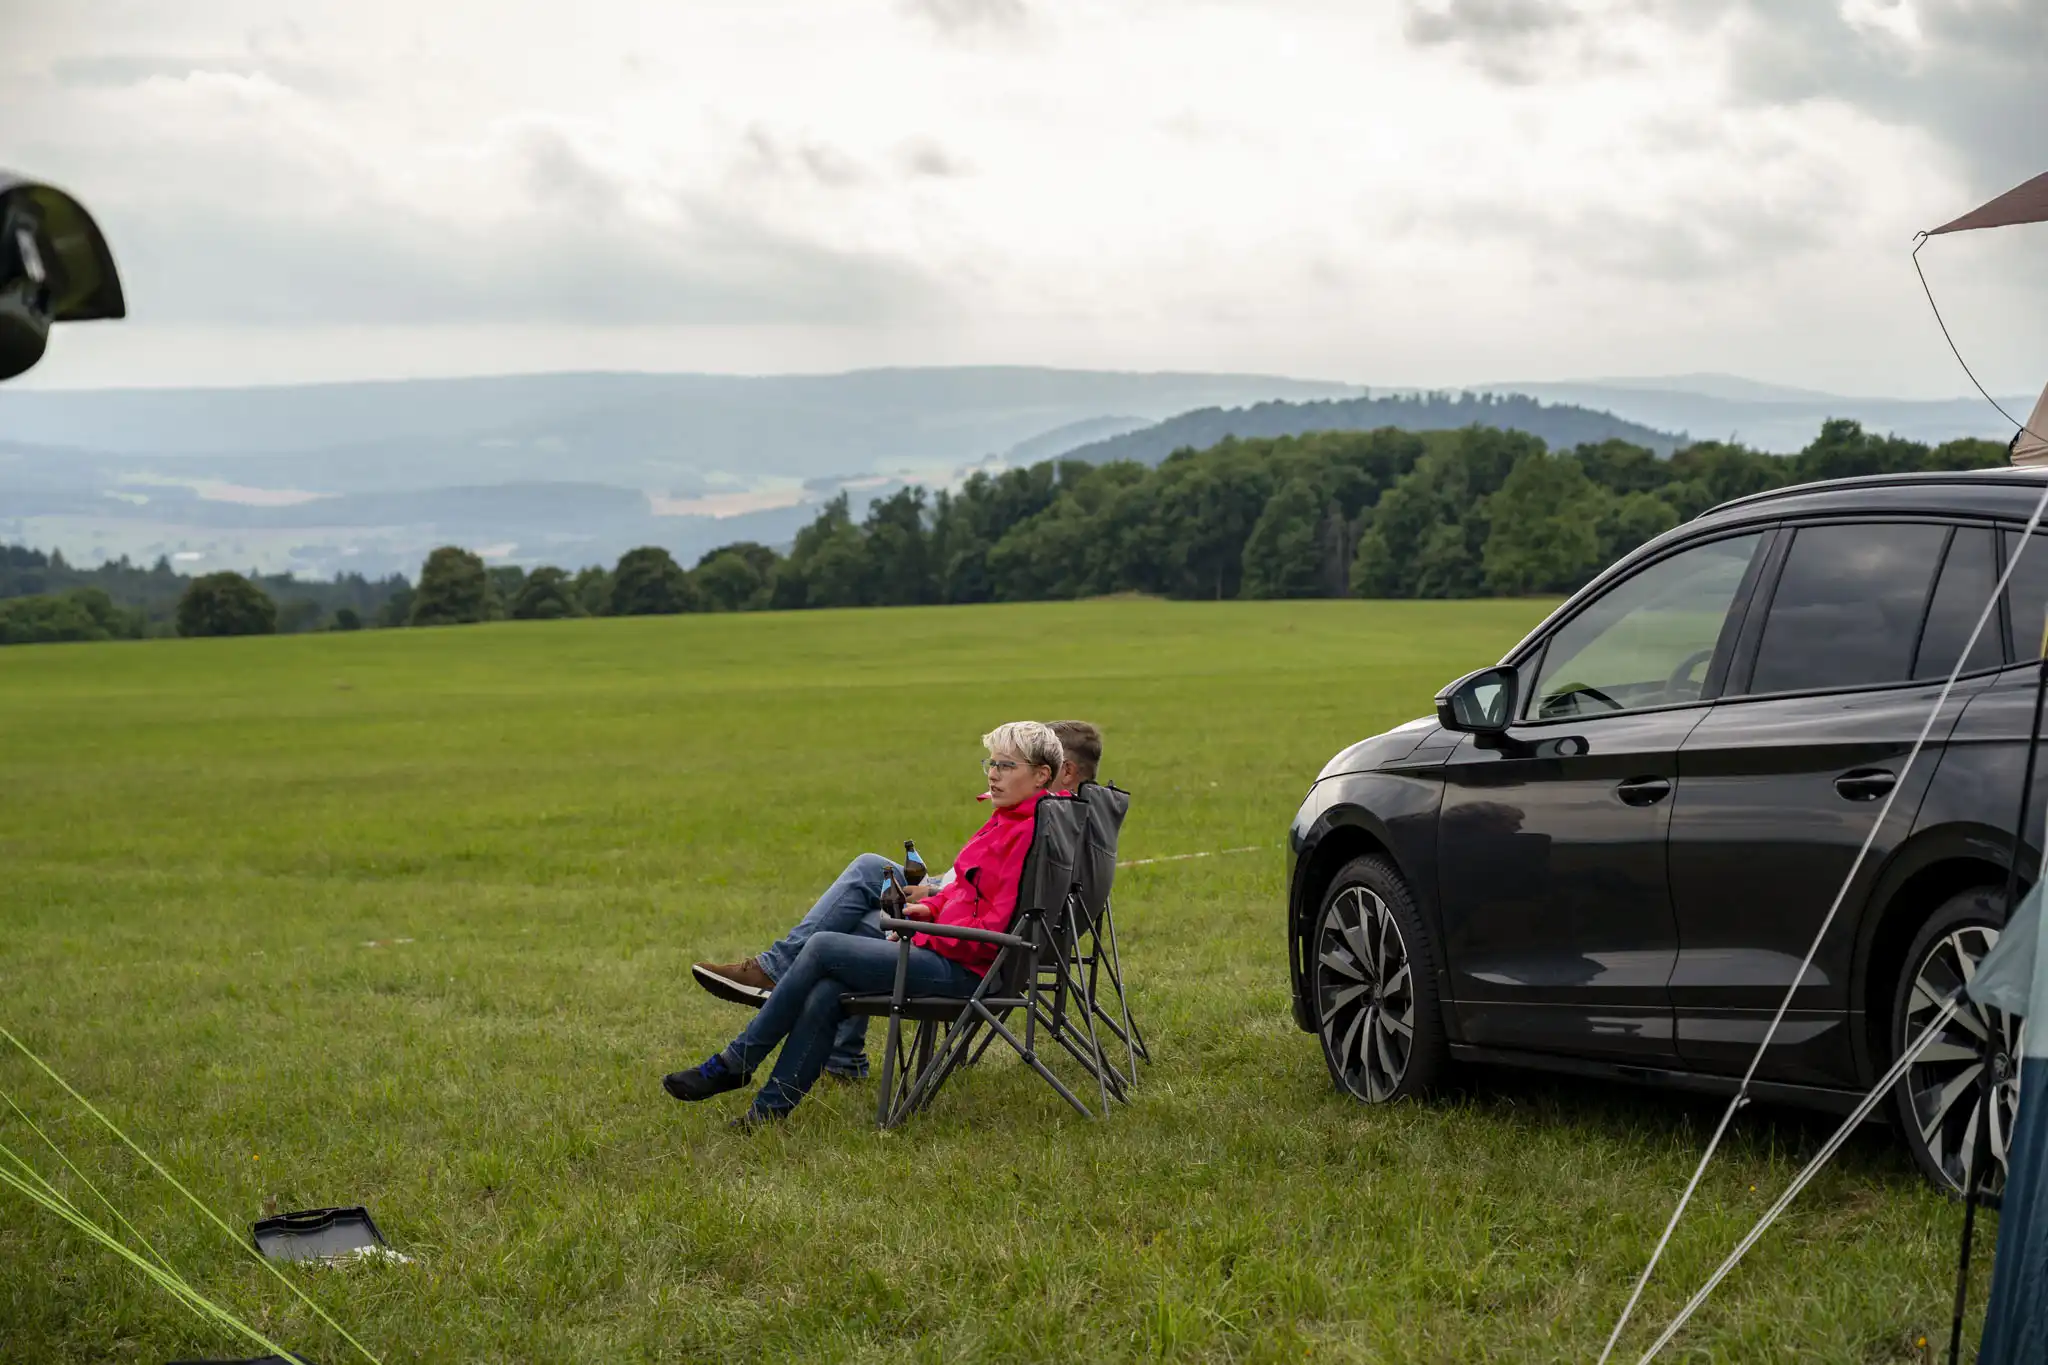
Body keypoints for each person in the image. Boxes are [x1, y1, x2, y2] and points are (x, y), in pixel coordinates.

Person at [663, 721, 1065, 1128]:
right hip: (953, 953)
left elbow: (992, 931)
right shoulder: (1009, 818)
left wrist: (922, 932)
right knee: (829, 988)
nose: (994, 773)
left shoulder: (1024, 831)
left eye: (1007, 765)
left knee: (823, 947)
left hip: (970, 973)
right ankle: (764, 1115)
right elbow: (967, 891)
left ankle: (736, 1061)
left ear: (1041, 775)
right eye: (991, 763)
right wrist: (933, 908)